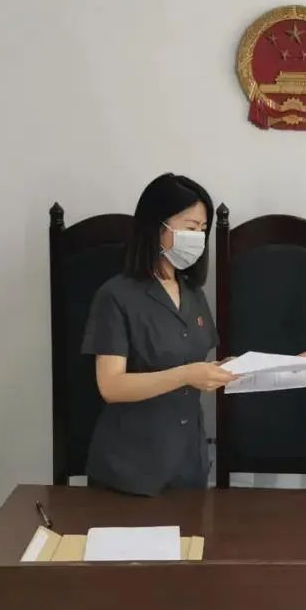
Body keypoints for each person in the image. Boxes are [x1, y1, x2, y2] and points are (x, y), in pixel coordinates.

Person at [82, 173, 234, 496]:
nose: (198, 237)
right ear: (157, 227)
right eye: (190, 227)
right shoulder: (115, 296)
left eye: (202, 230)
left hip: (189, 464)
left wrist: (224, 371)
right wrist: (187, 375)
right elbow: (111, 386)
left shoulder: (193, 293)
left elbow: (194, 362)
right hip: (129, 469)